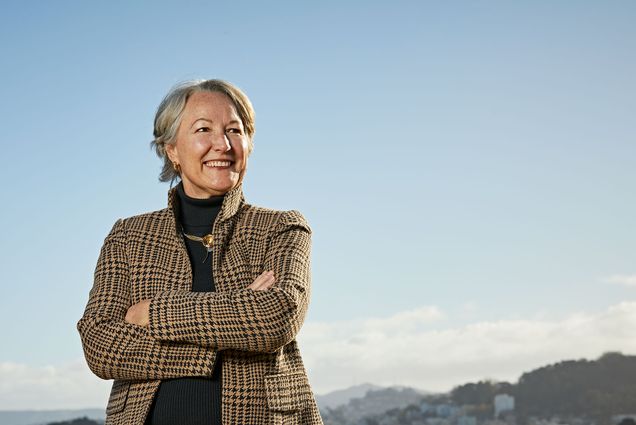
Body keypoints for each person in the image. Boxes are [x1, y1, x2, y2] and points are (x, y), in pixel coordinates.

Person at [77, 79, 323, 425]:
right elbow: (100, 344)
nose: (222, 145)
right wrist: (229, 326)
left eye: (234, 130)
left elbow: (275, 317)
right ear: (172, 150)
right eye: (203, 129)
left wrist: (152, 313)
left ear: (248, 144)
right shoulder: (129, 236)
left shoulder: (281, 227)